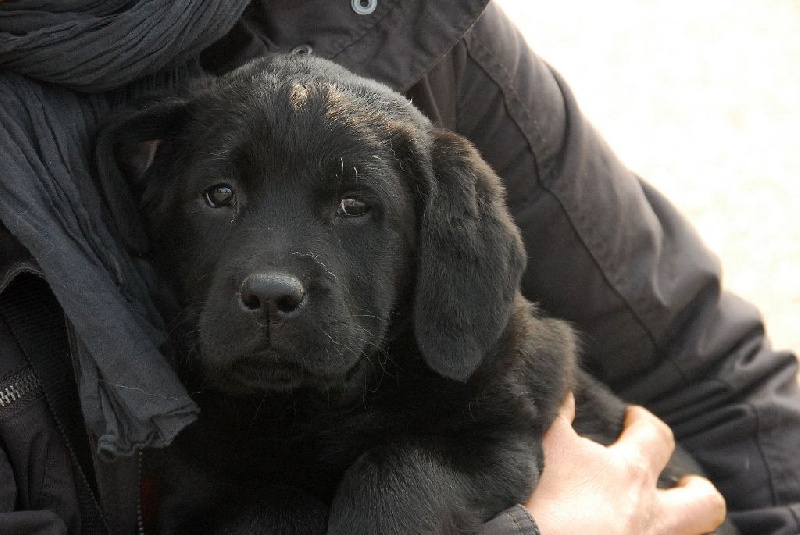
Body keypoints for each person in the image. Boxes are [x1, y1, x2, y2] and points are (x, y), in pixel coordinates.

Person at [1, 1, 797, 534]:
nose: (272, 276)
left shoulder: (392, 17)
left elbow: (709, 369)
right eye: (220, 194)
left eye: (355, 209)